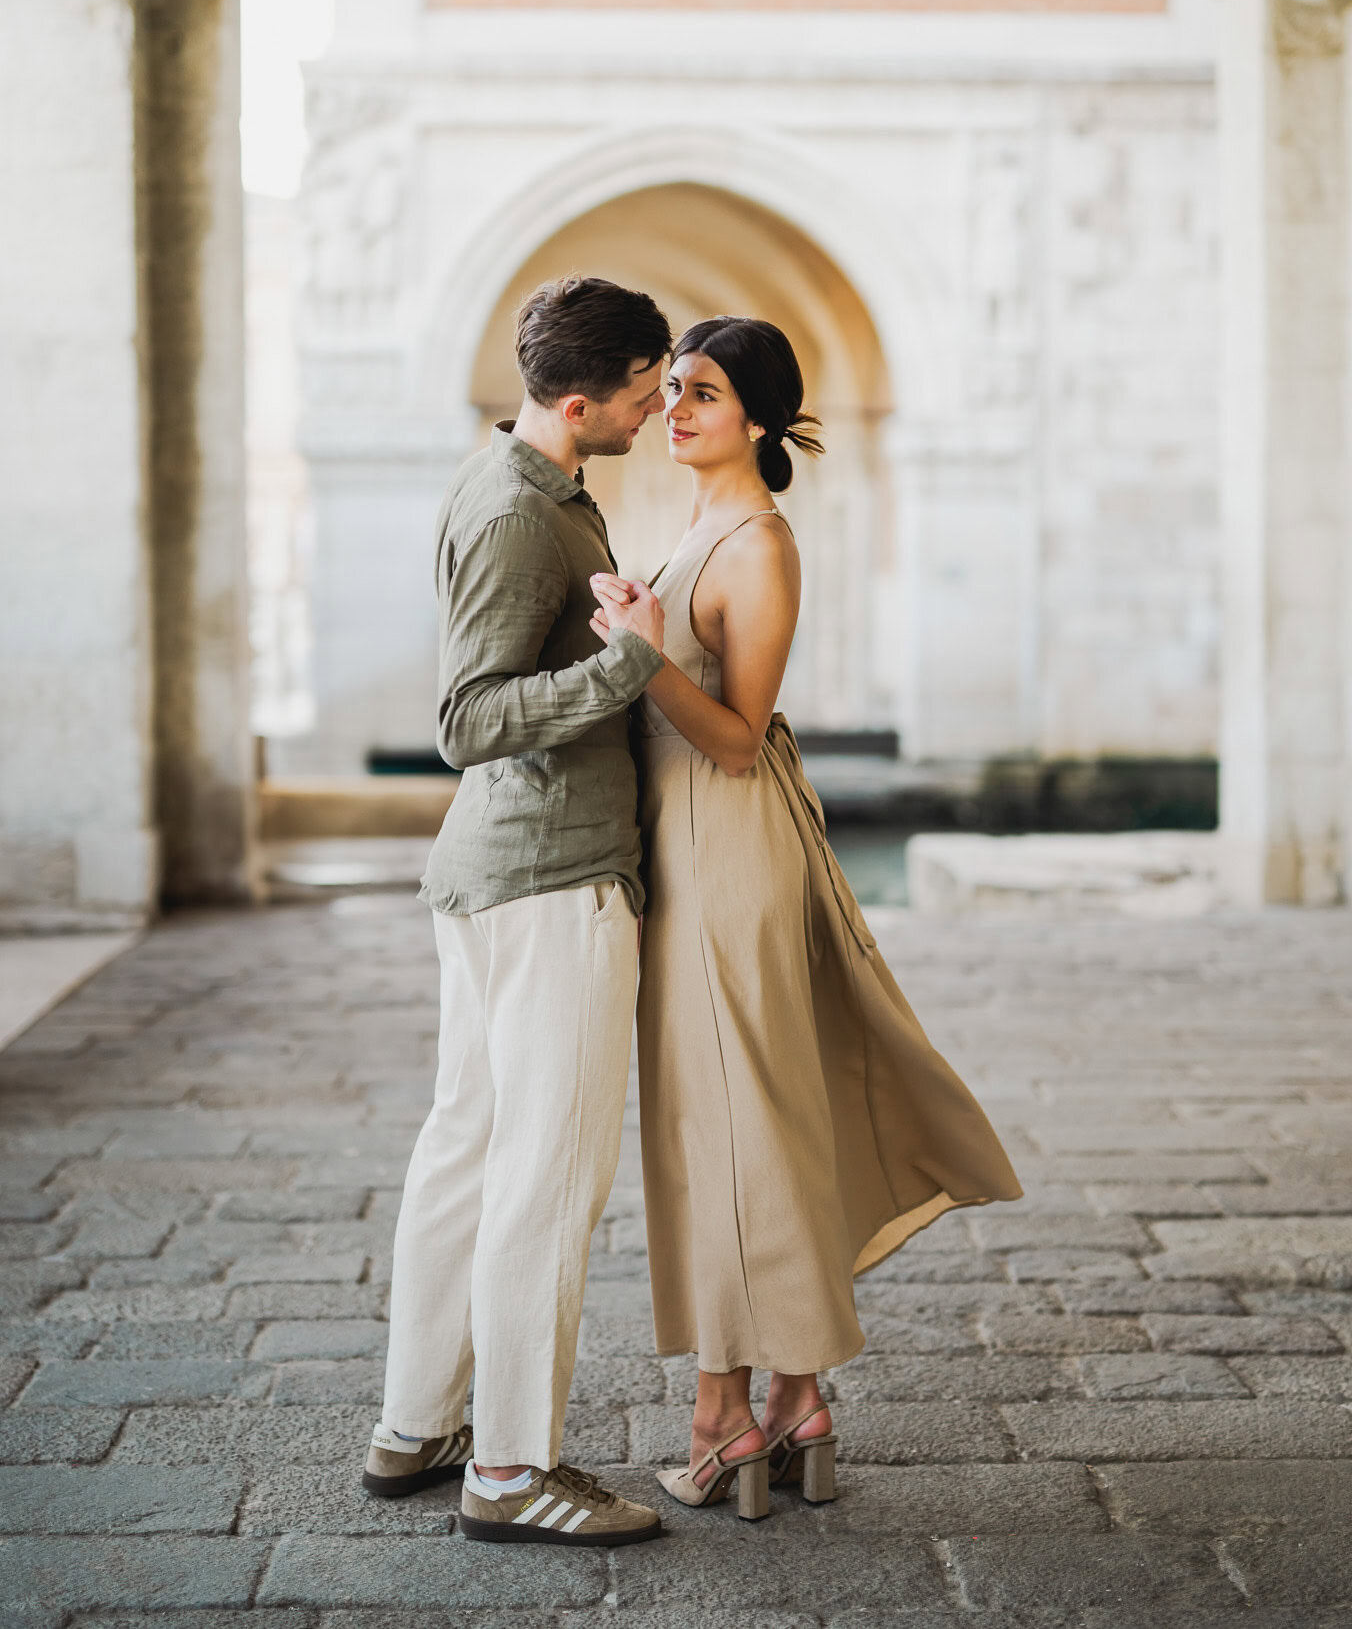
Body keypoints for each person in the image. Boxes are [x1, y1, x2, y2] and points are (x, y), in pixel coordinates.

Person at [590, 315, 1022, 1519]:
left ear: (760, 418)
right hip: (691, 852)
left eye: (704, 393)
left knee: (731, 1130)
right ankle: (791, 1398)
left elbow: (734, 740)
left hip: (726, 855)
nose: (675, 410)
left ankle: (723, 1417)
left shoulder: (760, 544)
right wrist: (640, 618)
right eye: (674, 389)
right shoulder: (702, 528)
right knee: (740, 1124)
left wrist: (639, 654)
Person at [361, 274, 674, 1548]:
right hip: (549, 882)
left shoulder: (529, 485)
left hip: (504, 876)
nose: (655, 409)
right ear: (580, 401)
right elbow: (468, 718)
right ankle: (508, 1471)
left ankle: (416, 1426)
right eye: (644, 392)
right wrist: (629, 662)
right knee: (546, 1175)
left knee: (470, 1150)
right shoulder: (515, 513)